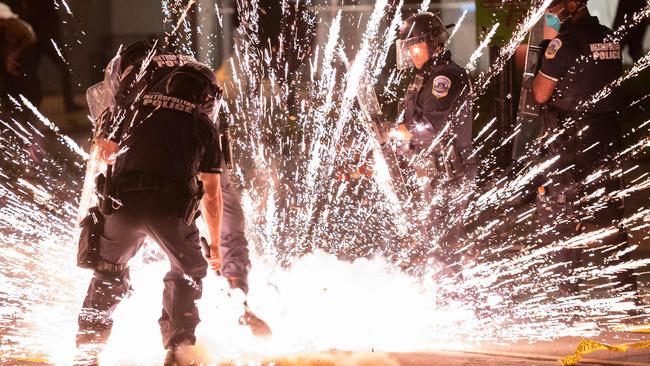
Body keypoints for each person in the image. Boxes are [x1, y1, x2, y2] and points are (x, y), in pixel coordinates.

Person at [75, 59, 224, 366]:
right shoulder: (204, 126)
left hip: (122, 207)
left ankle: (86, 350)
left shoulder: (135, 108)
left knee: (108, 272)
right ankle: (177, 351)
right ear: (205, 95)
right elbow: (211, 192)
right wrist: (217, 244)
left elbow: (105, 151)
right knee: (187, 273)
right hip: (169, 212)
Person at [532, 0, 639, 301]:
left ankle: (568, 298)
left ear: (570, 5)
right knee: (609, 218)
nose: (550, 13)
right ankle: (626, 294)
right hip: (606, 138)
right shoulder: (608, 37)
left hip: (572, 143)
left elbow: (540, 94)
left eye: (554, 7)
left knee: (562, 217)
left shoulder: (562, 44)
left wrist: (543, 59)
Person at [391, 12, 475, 274]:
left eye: (415, 45)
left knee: (445, 241)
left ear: (433, 43)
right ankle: (440, 291)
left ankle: (454, 298)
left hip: (452, 171)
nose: (411, 52)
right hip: (435, 169)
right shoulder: (425, 76)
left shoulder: (445, 77)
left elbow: (430, 126)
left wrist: (394, 132)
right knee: (432, 238)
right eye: (407, 46)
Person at [0, 2, 39, 105]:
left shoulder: (11, 24)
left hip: (25, 54)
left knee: (24, 82)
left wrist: (12, 58)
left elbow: (30, 39)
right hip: (14, 56)